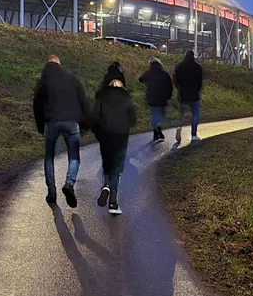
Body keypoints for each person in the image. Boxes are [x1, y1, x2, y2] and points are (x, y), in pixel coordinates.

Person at [33, 55, 91, 207]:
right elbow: (83, 101)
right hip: (71, 122)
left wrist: (40, 125)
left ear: (48, 64)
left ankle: (51, 191)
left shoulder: (44, 81)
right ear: (60, 64)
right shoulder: (72, 79)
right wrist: (85, 123)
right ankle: (69, 183)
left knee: (49, 157)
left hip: (51, 122)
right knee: (74, 156)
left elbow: (37, 105)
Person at [93, 75, 136, 215]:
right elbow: (133, 119)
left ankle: (106, 185)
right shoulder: (126, 99)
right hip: (121, 137)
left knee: (107, 165)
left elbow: (95, 117)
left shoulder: (102, 99)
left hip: (106, 136)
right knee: (117, 170)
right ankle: (113, 203)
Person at [173, 50, 205, 147]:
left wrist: (179, 88)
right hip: (194, 94)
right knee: (195, 114)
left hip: (182, 94)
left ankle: (179, 127)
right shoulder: (197, 67)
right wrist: (198, 90)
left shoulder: (179, 67)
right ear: (193, 57)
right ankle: (194, 135)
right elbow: (200, 81)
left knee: (181, 113)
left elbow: (175, 79)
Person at [138, 57, 174, 142]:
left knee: (154, 114)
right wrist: (169, 95)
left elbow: (140, 79)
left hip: (151, 97)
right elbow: (170, 86)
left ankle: (155, 132)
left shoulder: (148, 73)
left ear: (150, 65)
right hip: (162, 97)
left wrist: (147, 83)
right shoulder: (165, 74)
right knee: (162, 115)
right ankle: (158, 128)